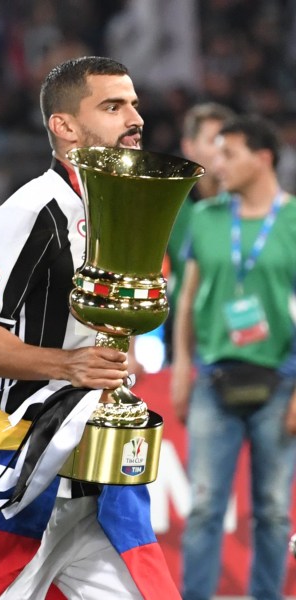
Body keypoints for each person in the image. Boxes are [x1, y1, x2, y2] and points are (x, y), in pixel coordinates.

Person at [0, 56, 180, 600]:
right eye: (113, 106)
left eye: (134, 103)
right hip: (18, 463)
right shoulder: (32, 210)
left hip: (102, 468)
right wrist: (69, 365)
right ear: (64, 127)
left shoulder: (125, 205)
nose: (134, 117)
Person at [171, 114, 296, 600]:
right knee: (204, 507)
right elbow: (187, 300)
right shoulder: (205, 218)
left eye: (228, 153)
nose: (215, 163)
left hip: (282, 379)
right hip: (213, 378)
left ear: (262, 158)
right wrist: (182, 367)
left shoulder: (293, 220)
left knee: (274, 510)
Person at [164, 102, 235, 362]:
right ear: (189, 147)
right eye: (212, 140)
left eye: (226, 141)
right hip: (186, 330)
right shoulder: (169, 206)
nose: (221, 149)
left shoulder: (248, 202)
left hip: (241, 332)